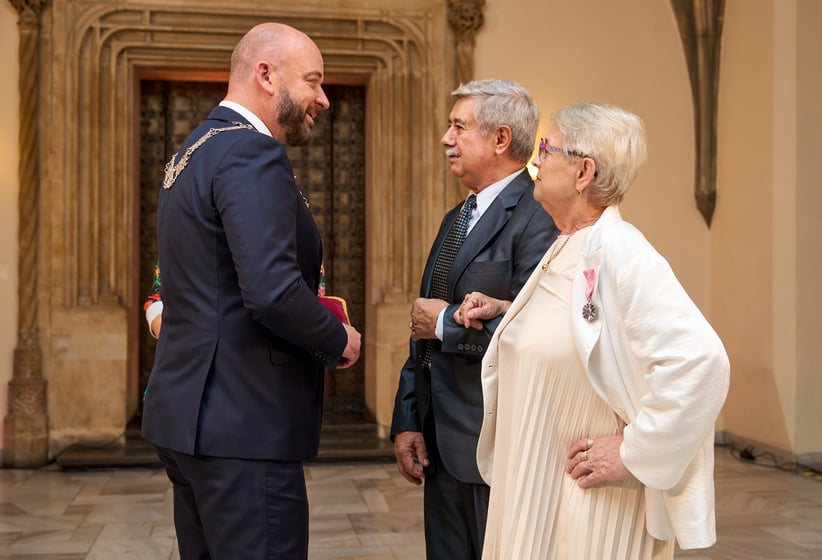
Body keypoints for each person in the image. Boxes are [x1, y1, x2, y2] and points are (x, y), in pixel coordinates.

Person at [461, 103, 730, 558]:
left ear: (584, 171)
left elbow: (701, 361)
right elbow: (580, 330)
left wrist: (633, 452)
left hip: (591, 506)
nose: (536, 160)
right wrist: (509, 312)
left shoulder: (623, 250)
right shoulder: (568, 242)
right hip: (537, 485)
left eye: (547, 148)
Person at [141, 22, 361, 560]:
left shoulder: (192, 151)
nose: (323, 99)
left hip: (190, 418)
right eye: (313, 81)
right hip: (244, 426)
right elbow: (271, 291)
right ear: (266, 74)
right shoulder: (248, 154)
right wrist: (339, 340)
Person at [390, 79, 557, 559]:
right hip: (439, 442)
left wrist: (446, 324)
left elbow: (538, 333)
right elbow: (422, 324)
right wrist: (408, 418)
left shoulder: (539, 215)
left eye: (458, 127)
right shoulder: (456, 216)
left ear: (501, 139)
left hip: (495, 446)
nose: (446, 138)